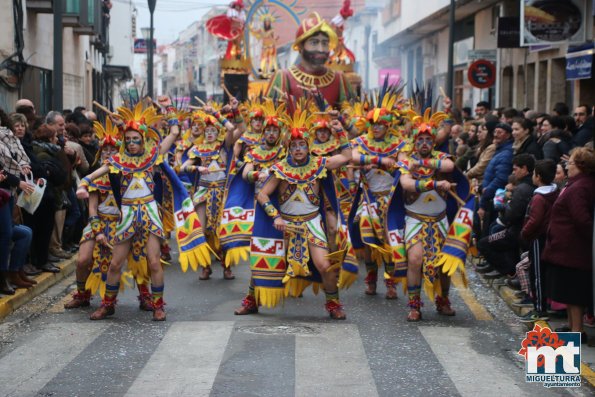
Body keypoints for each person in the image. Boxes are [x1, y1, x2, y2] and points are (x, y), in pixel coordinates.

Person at [76, 99, 208, 321]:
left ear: (143, 139)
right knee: (116, 263)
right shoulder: (118, 160)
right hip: (127, 215)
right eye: (128, 140)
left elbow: (174, 133)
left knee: (154, 261)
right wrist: (82, 186)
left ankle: (158, 305)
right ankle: (108, 305)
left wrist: (169, 111)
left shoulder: (152, 157)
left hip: (149, 213)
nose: (132, 144)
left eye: (136, 140)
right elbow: (93, 175)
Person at [235, 105, 352, 319]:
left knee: (324, 265)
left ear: (308, 146)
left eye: (302, 145)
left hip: (312, 223)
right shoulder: (280, 169)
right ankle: (252, 301)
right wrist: (276, 216)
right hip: (285, 225)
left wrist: (341, 129)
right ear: (289, 147)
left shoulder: (319, 164)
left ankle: (333, 304)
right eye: (294, 145)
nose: (298, 149)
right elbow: (262, 195)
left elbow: (345, 157)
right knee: (265, 262)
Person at [398, 110, 459, 321]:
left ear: (433, 141)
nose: (424, 143)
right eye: (420, 139)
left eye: (428, 139)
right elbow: (406, 184)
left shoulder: (441, 157)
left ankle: (443, 300)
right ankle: (414, 305)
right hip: (414, 218)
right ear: (414, 141)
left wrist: (423, 165)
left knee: (444, 264)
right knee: (415, 260)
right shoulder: (405, 158)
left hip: (440, 220)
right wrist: (434, 183)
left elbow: (450, 166)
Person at [180, 99, 245, 280]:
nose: (209, 133)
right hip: (203, 190)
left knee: (223, 229)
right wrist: (197, 168)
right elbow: (183, 166)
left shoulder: (224, 145)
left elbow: (233, 128)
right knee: (201, 229)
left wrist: (216, 113)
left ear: (217, 132)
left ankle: (226, 265)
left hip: (222, 191)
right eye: (206, 130)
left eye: (212, 130)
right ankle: (206, 265)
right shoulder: (198, 149)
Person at [350, 104, 406, 299]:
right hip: (369, 198)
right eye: (372, 124)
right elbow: (353, 156)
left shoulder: (398, 143)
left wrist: (395, 165)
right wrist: (378, 160)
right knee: (368, 239)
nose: (375, 128)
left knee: (390, 240)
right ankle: (371, 278)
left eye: (380, 125)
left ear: (388, 126)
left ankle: (391, 282)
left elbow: (404, 163)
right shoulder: (362, 141)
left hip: (391, 201)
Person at [542, 147, 595, 338]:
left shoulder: (580, 187)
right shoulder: (576, 184)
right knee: (570, 292)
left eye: (570, 162)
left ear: (580, 166)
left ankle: (577, 330)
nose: (567, 165)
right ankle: (573, 326)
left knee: (574, 293)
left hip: (573, 248)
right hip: (568, 247)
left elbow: (582, 220)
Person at [266, 12, 354, 108]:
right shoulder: (283, 77)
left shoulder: (339, 79)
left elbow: (353, 115)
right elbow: (270, 117)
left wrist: (340, 119)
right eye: (314, 43)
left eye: (325, 43)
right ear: (300, 46)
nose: (321, 49)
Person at [479, 154, 536, 279]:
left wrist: (505, 203)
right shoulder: (525, 186)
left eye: (515, 169)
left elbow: (511, 214)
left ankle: (510, 272)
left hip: (516, 231)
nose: (513, 172)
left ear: (525, 168)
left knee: (483, 244)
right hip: (518, 230)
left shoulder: (522, 189)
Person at [519, 159, 558, 323]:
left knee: (537, 274)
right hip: (549, 236)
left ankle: (539, 309)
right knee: (543, 272)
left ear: (538, 176)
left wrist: (524, 233)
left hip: (537, 238)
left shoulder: (539, 198)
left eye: (534, 174)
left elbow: (534, 220)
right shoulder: (556, 192)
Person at [476, 122, 514, 236]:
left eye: (500, 132)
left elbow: (500, 179)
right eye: (495, 132)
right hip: (489, 197)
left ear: (507, 135)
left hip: (494, 200)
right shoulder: (499, 151)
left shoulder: (506, 154)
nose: (496, 135)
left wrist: (485, 194)